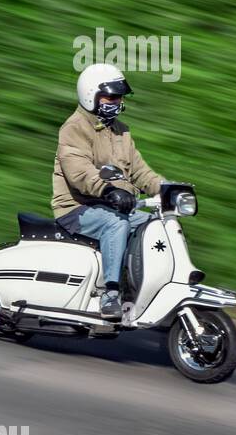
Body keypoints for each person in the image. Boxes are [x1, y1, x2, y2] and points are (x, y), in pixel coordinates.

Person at [52, 64, 163, 318]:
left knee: (157, 224)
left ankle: (143, 287)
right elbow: (79, 172)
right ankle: (109, 294)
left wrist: (167, 189)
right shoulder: (75, 128)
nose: (117, 101)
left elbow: (140, 172)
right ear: (91, 95)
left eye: (119, 96)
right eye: (111, 96)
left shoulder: (121, 131)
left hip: (114, 204)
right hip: (77, 209)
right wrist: (108, 190)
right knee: (116, 224)